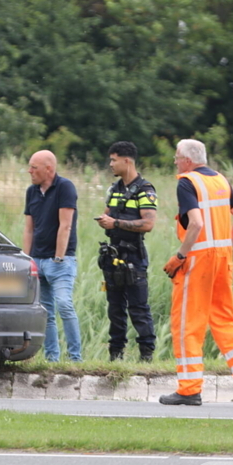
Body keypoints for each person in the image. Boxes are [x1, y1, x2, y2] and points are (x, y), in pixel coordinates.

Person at [159, 139, 233, 406]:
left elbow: (195, 223)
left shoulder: (187, 182)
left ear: (187, 159)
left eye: (176, 157)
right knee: (224, 319)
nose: (175, 162)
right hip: (222, 259)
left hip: (197, 261)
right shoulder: (220, 180)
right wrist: (225, 246)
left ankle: (189, 389)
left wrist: (180, 256)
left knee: (186, 324)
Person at [93, 141, 157, 362]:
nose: (110, 164)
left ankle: (146, 356)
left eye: (113, 159)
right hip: (113, 256)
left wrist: (116, 223)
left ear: (126, 160)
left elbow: (148, 224)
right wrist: (105, 221)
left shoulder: (145, 190)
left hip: (134, 258)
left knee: (139, 307)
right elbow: (108, 213)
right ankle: (116, 355)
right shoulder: (114, 189)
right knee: (115, 308)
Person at [23, 149, 82, 362]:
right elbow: (29, 228)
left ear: (49, 169)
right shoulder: (32, 191)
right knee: (45, 312)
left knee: (65, 305)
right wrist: (27, 259)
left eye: (34, 167)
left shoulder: (65, 187)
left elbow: (65, 225)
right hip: (37, 259)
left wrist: (59, 257)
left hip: (59, 262)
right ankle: (52, 359)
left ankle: (75, 358)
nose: (30, 171)